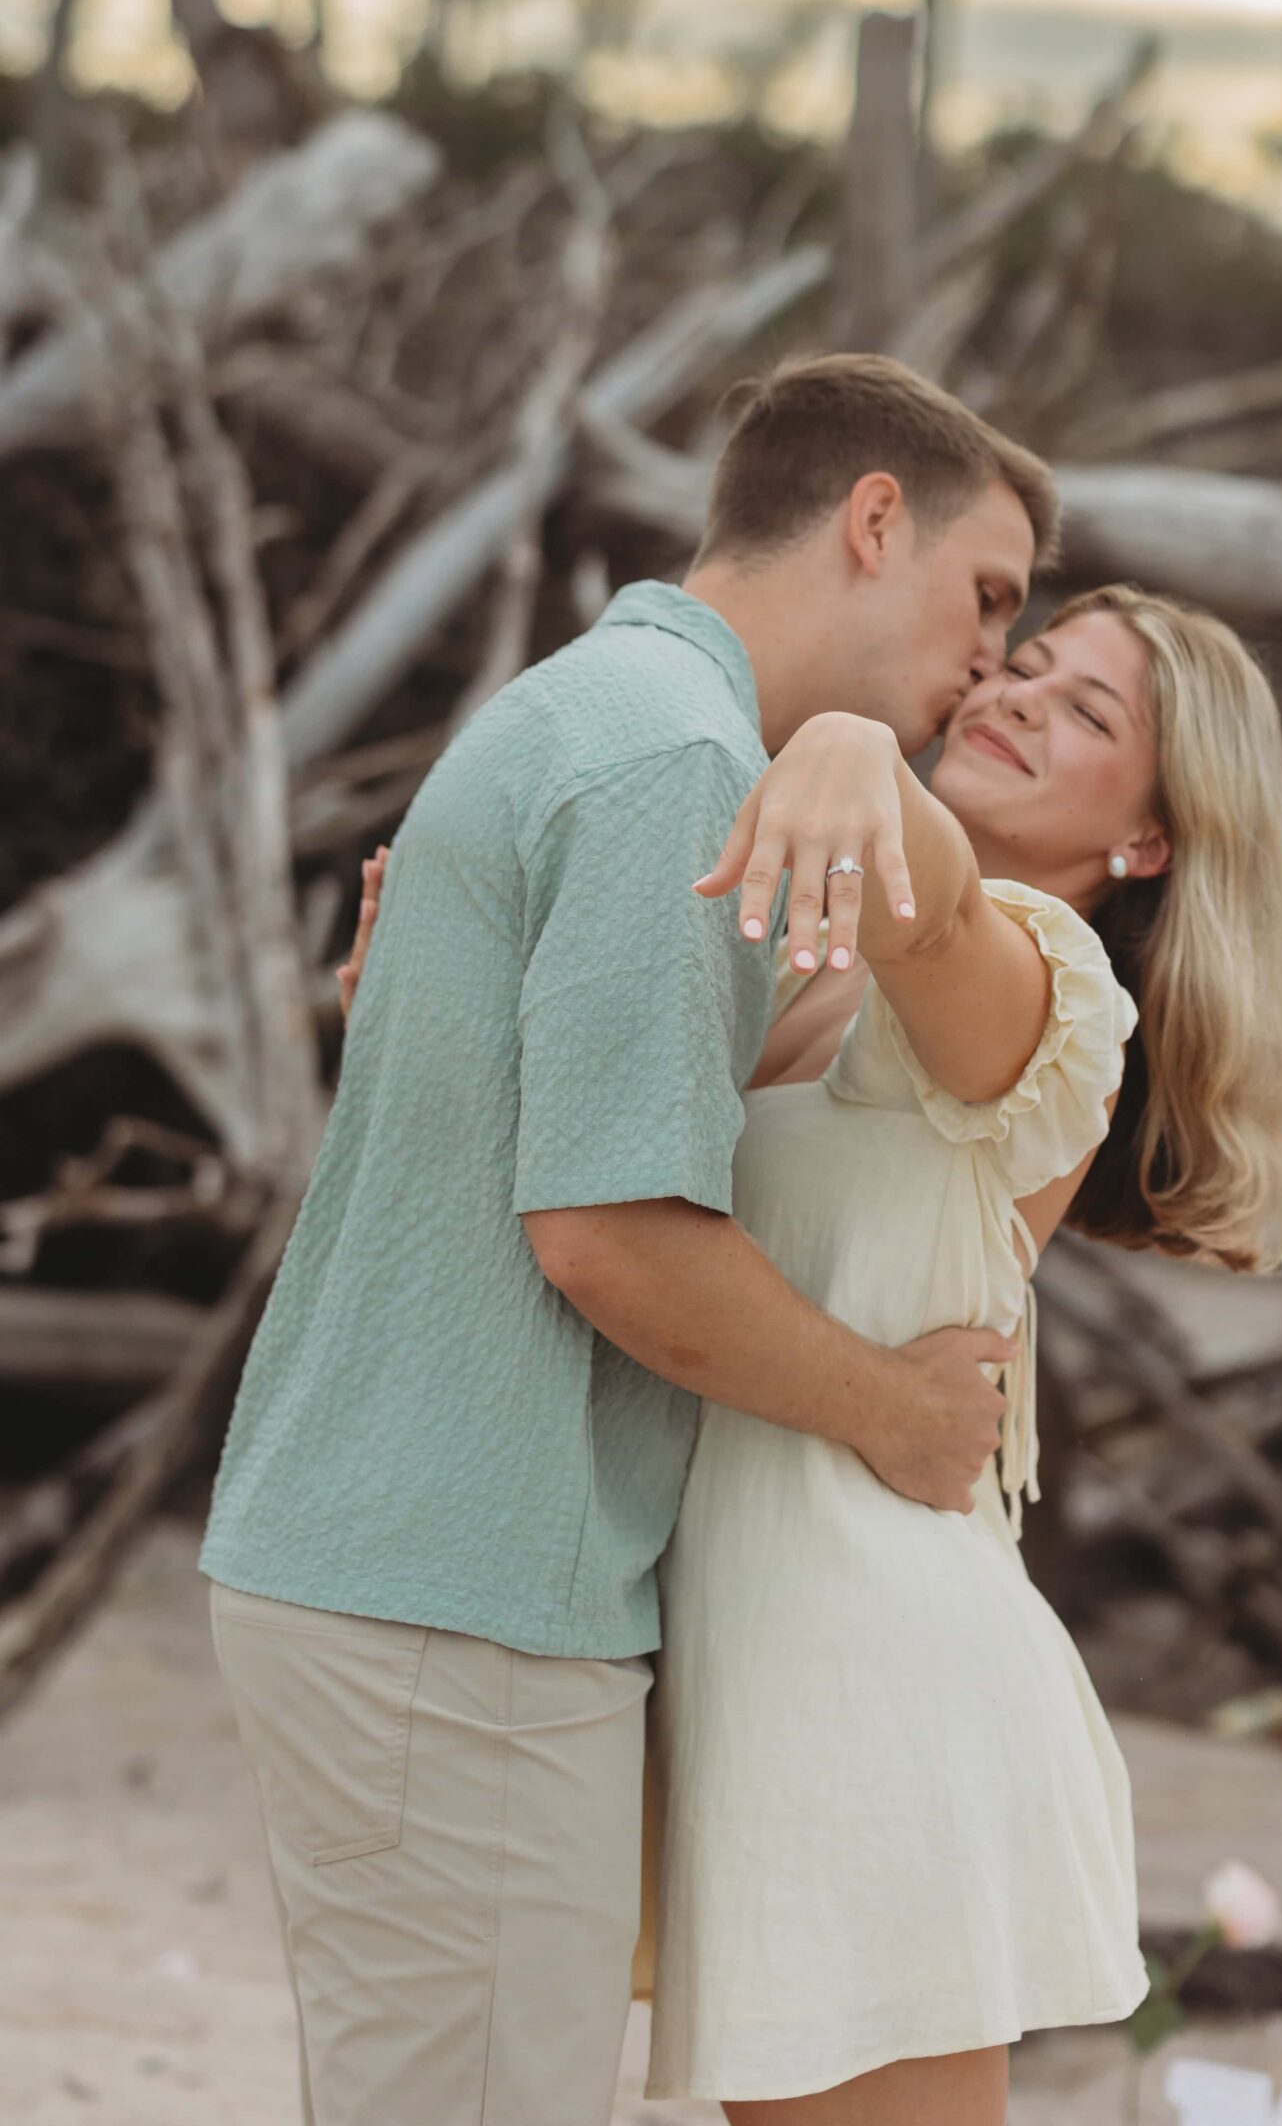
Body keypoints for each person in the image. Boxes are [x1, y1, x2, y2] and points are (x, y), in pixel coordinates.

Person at [198, 353, 1056, 2126]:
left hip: (386, 1567)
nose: (992, 656)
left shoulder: (579, 710)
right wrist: (898, 1413)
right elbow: (606, 1234)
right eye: (991, 595)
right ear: (872, 521)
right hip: (462, 1596)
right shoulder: (675, 765)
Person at [344, 585, 1282, 2125]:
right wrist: (428, 1002)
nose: (1017, 699)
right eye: (1031, 666)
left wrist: (856, 735)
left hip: (868, 1677)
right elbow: (603, 1225)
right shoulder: (787, 960)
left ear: (1150, 840)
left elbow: (934, 911)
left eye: (1086, 715)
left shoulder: (1054, 990)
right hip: (712, 1651)